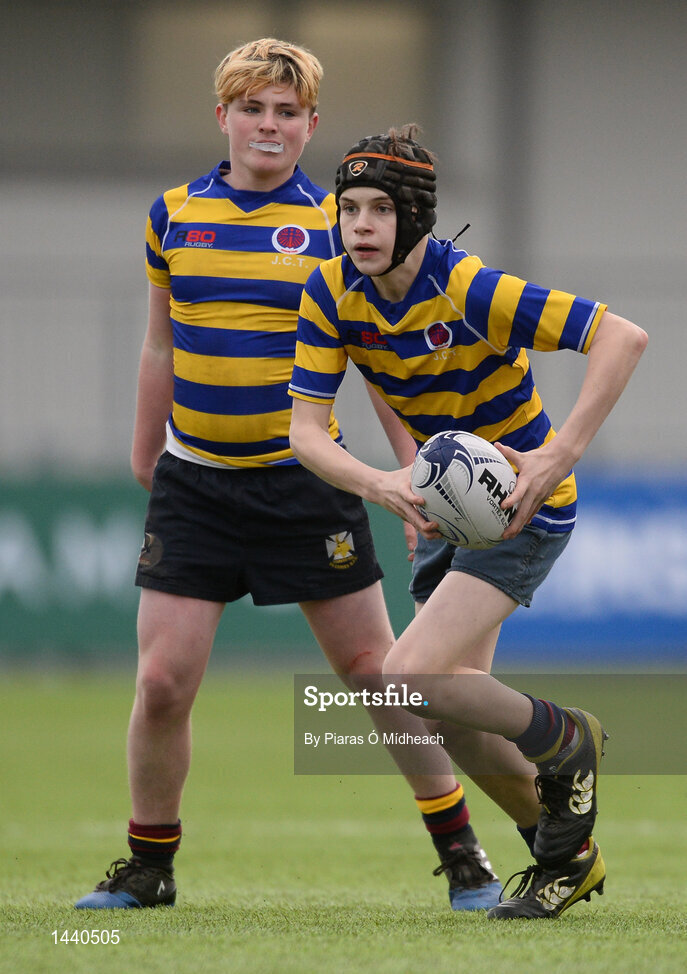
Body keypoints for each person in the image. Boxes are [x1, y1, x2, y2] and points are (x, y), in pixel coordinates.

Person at [74, 40, 516, 913]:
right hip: (195, 483)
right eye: (252, 108)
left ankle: (462, 853)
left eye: (286, 112)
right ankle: (148, 867)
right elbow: (160, 343)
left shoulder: (334, 224)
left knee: (376, 673)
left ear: (311, 125)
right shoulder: (172, 215)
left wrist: (411, 476)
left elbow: (378, 361)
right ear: (223, 117)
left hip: (305, 484)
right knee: (161, 684)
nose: (268, 125)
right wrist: (144, 450)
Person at [288, 124, 648, 919]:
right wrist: (382, 483)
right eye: (349, 208)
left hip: (521, 508)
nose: (360, 225)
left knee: (408, 677)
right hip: (446, 513)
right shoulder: (331, 291)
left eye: (380, 209)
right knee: (446, 711)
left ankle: (566, 738)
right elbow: (304, 433)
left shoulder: (469, 288)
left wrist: (556, 455)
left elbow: (621, 337)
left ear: (415, 215)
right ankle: (564, 862)